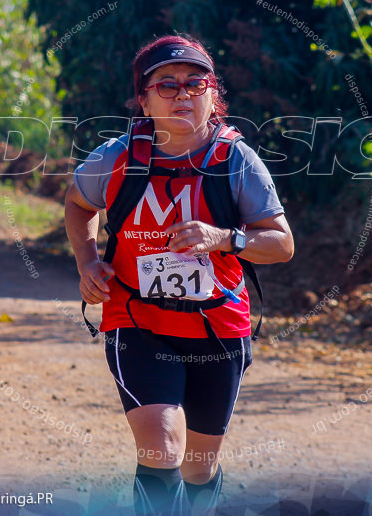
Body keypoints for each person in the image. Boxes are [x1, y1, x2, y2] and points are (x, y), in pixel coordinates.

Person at [65, 34, 294, 515]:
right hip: (137, 322)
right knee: (161, 448)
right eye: (165, 85)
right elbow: (79, 203)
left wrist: (225, 238)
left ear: (214, 96)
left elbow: (281, 244)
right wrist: (88, 260)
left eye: (196, 82)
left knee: (198, 469)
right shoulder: (116, 157)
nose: (183, 93)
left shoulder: (237, 161)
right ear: (143, 100)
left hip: (218, 327)